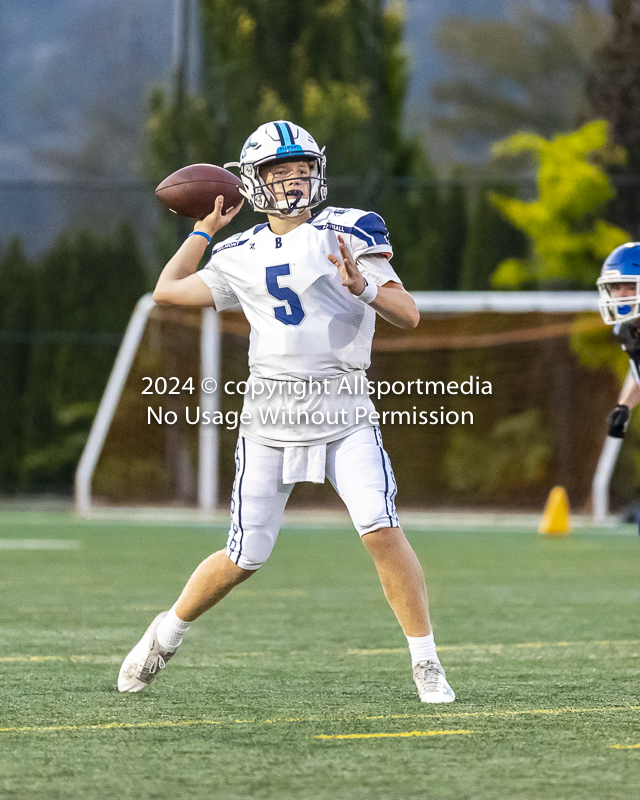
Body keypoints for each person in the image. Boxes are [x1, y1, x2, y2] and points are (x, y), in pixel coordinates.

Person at [118, 120, 455, 703]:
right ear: (254, 183)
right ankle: (164, 635)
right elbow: (168, 291)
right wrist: (202, 232)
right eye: (280, 172)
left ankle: (426, 662)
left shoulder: (351, 228)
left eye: (303, 170)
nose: (295, 181)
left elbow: (409, 313)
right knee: (245, 556)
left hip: (345, 408)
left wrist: (364, 288)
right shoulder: (238, 251)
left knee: (380, 527)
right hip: (269, 418)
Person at [597, 242, 640, 437]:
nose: (621, 296)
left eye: (631, 287)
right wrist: (624, 407)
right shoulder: (629, 330)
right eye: (615, 287)